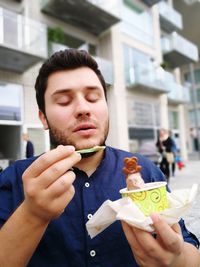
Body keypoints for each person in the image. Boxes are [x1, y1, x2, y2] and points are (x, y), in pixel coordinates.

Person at [0, 49, 199, 267]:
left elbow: (187, 245)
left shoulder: (145, 170)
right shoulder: (15, 178)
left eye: (93, 98)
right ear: (43, 118)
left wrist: (178, 259)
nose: (83, 108)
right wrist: (32, 214)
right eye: (64, 101)